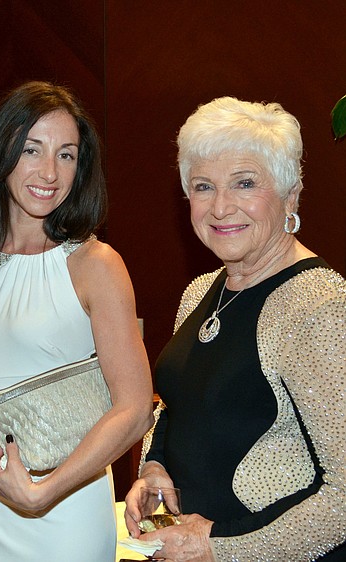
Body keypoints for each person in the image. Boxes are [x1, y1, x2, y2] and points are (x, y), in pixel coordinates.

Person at [124, 97, 346, 561]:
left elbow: (343, 498)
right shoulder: (201, 291)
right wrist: (156, 468)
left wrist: (220, 548)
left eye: (244, 183)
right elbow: (178, 405)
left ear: (291, 195)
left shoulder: (320, 307)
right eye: (204, 187)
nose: (221, 207)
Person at [0, 81, 154, 561]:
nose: (49, 172)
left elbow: (135, 407)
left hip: (65, 507)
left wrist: (45, 491)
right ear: (2, 153)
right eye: (32, 150)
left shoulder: (95, 264)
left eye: (67, 155)